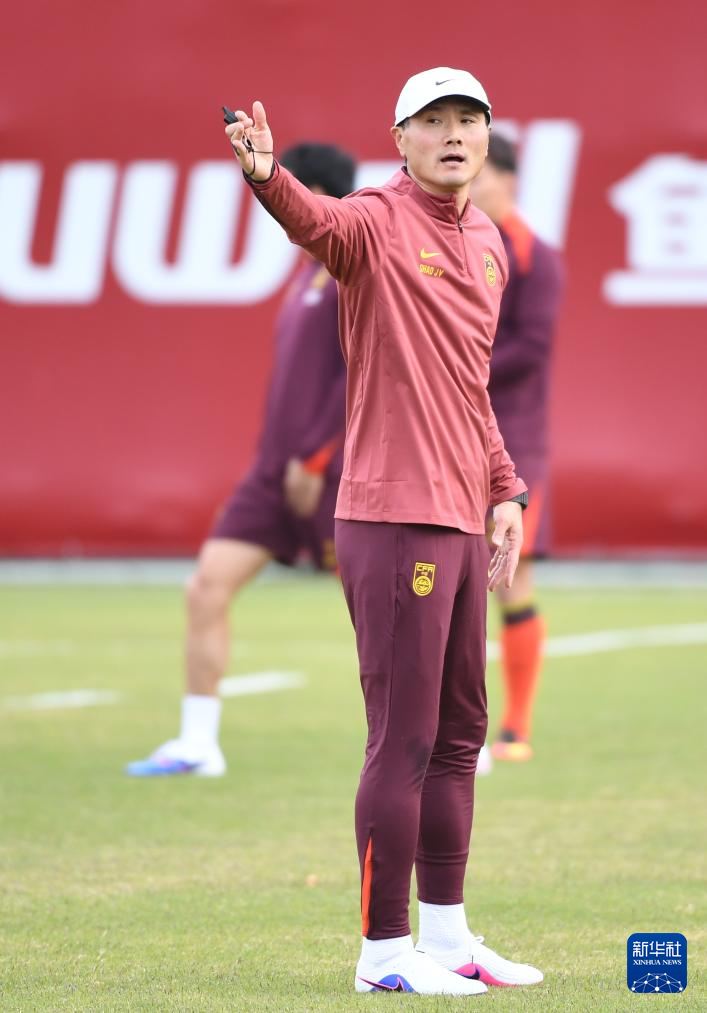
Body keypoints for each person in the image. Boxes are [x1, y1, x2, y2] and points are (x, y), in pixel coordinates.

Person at [223, 68, 544, 996]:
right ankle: (382, 954)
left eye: (468, 120)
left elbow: (468, 387)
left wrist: (504, 488)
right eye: (432, 121)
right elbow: (315, 221)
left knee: (459, 732)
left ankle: (444, 936)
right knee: (403, 738)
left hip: (460, 514)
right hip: (391, 515)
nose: (453, 135)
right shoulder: (373, 218)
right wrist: (266, 175)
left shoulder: (486, 240)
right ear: (400, 138)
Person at [126, 143, 356, 778]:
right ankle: (199, 744)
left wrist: (317, 458)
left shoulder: (353, 272)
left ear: (317, 198)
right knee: (206, 587)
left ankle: (458, 740)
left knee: (390, 613)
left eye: (287, 192)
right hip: (272, 472)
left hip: (330, 474)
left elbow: (364, 376)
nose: (277, 209)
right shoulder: (302, 273)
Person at [471, 134, 564, 770]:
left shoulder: (535, 257)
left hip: (515, 439)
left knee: (512, 574)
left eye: (482, 175)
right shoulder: (449, 242)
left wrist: (459, 367)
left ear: (507, 179)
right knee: (450, 575)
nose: (472, 186)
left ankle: (514, 725)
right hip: (453, 433)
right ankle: (457, 726)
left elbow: (532, 347)